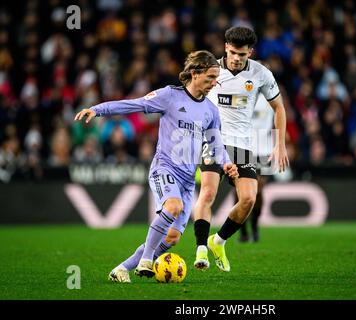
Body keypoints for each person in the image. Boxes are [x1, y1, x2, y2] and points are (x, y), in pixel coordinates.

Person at [74, 50, 239, 283]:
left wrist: (227, 163)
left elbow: (215, 143)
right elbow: (134, 105)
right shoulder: (170, 96)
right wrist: (98, 109)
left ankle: (121, 269)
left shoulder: (211, 111)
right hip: (165, 168)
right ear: (194, 73)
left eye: (216, 78)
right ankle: (146, 261)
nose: (214, 83)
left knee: (171, 237)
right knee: (172, 206)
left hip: (187, 178)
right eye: (210, 77)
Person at [193, 26, 289, 272]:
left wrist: (280, 144)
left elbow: (279, 108)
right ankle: (201, 249)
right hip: (213, 140)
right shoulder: (210, 69)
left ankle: (218, 241)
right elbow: (191, 96)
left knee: (248, 199)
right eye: (233, 52)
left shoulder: (261, 73)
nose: (237, 58)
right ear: (226, 46)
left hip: (244, 144)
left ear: (250, 52)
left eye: (242, 54)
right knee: (208, 193)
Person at [238, 93, 274, 243]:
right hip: (243, 148)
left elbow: (281, 115)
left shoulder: (271, 97)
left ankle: (254, 226)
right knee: (240, 191)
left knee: (258, 191)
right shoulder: (241, 95)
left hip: (264, 150)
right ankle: (243, 230)